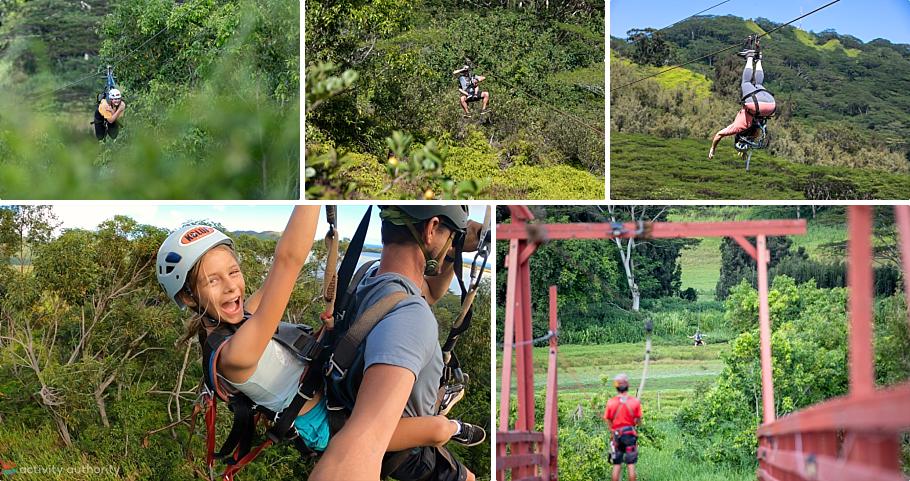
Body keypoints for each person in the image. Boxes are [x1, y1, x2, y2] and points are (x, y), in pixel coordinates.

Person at [154, 208, 485, 467]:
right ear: (188, 297)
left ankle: (450, 248)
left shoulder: (238, 319)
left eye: (233, 272)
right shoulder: (235, 356)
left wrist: (452, 242)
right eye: (213, 281)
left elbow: (270, 285)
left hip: (327, 389)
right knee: (437, 430)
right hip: (333, 426)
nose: (231, 287)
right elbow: (287, 263)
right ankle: (454, 425)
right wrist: (310, 199)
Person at [311, 205, 485, 481]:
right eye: (451, 236)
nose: (453, 244)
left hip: (346, 401)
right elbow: (360, 444)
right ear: (431, 229)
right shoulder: (411, 318)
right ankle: (452, 426)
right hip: (406, 448)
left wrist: (453, 246)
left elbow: (431, 292)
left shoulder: (369, 276)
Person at [708, 36, 776, 159]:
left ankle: (758, 59)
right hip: (756, 105)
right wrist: (713, 149)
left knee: (758, 84)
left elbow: (748, 138)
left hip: (771, 105)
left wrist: (744, 152)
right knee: (746, 82)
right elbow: (719, 135)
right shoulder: (738, 127)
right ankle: (750, 56)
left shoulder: (755, 133)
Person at [603, 373, 642, 481]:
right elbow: (639, 421)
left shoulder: (611, 402)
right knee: (631, 464)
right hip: (629, 435)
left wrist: (612, 431)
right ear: (627, 386)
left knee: (617, 465)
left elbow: (608, 419)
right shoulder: (634, 402)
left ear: (616, 387)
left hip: (617, 435)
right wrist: (635, 422)